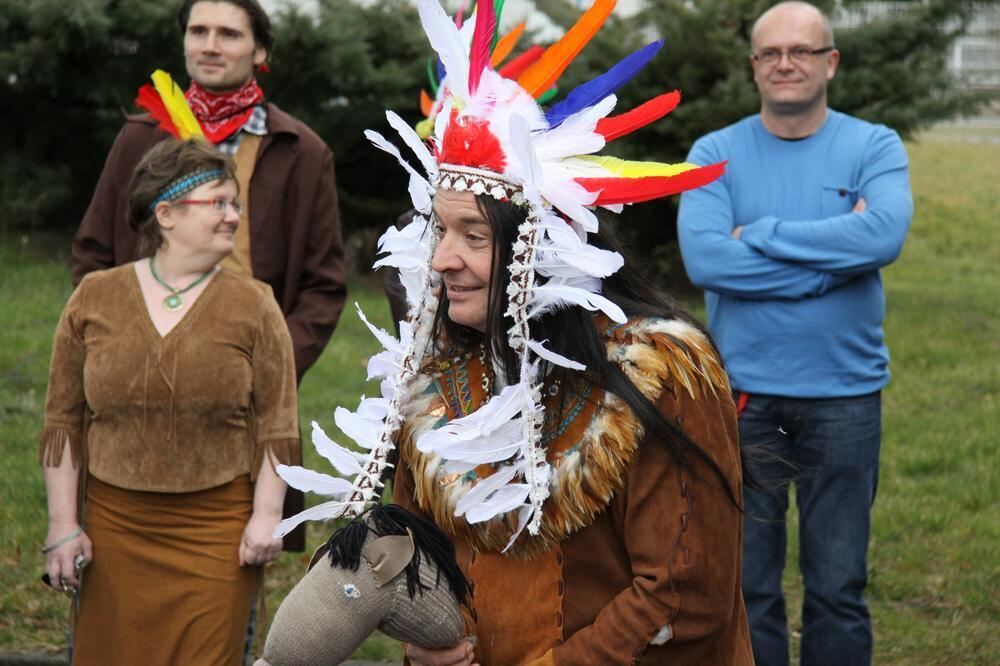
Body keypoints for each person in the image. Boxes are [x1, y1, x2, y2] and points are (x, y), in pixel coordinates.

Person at [269, 0, 753, 663]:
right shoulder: (438, 371)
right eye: (440, 229)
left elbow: (684, 595)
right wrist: (426, 645)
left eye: (475, 236)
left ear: (543, 250)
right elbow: (420, 551)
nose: (443, 258)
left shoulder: (661, 370)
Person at [677, 2, 913, 664]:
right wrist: (831, 269)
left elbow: (884, 234)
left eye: (802, 51)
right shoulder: (714, 153)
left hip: (845, 397)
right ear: (754, 68)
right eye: (770, 53)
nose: (785, 63)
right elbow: (707, 259)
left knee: (839, 585)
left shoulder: (874, 146)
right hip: (744, 399)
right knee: (746, 586)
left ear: (829, 62)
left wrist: (764, 236)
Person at [39, 138, 299, 665]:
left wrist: (266, 517)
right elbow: (62, 422)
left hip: (215, 534)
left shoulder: (255, 305)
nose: (232, 217)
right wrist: (62, 526)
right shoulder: (94, 298)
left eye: (235, 204)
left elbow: (278, 426)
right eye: (218, 203)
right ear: (166, 214)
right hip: (115, 528)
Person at [71, 0, 346, 386]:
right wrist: (117, 344)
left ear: (260, 50)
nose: (210, 46)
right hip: (138, 371)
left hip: (247, 381)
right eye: (198, 32)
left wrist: (271, 368)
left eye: (229, 34)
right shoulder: (139, 138)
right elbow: (93, 253)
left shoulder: (302, 152)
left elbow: (323, 286)